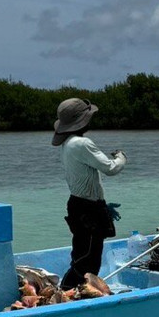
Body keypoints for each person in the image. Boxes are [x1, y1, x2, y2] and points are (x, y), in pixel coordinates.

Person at [52, 97, 127, 288]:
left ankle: (76, 292)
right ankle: (67, 292)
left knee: (83, 254)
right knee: (87, 261)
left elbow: (85, 180)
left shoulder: (68, 143)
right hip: (87, 209)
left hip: (80, 204)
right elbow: (111, 168)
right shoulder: (82, 143)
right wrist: (121, 157)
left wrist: (102, 205)